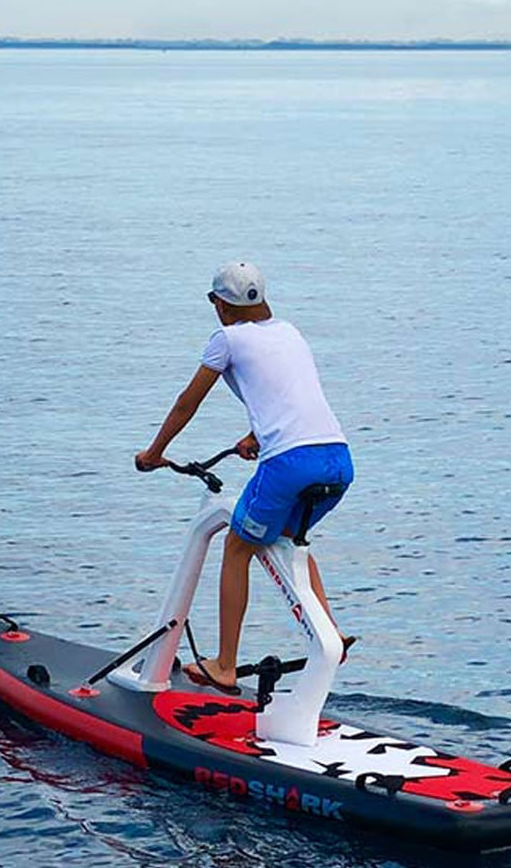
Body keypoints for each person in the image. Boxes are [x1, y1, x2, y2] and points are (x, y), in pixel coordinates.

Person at [135, 261, 354, 694]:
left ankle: (224, 665)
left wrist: (154, 454)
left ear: (221, 304)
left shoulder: (226, 339)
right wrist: (256, 435)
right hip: (337, 458)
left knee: (237, 547)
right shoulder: (289, 332)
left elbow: (186, 403)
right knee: (290, 540)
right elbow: (293, 397)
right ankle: (329, 634)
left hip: (289, 464)